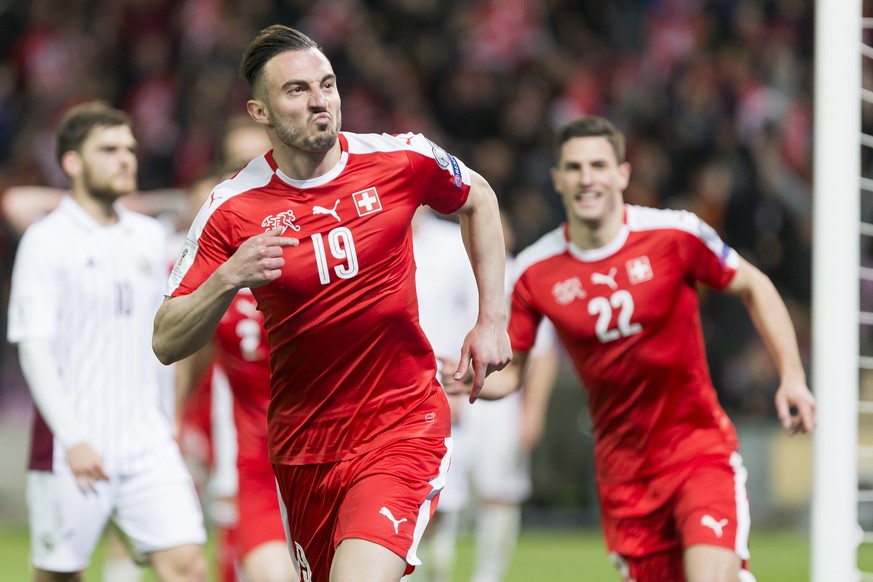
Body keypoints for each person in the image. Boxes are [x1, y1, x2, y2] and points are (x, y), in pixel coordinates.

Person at [151, 24, 512, 582]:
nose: (320, 100)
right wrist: (229, 277)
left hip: (401, 428)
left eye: (327, 84)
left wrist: (491, 321)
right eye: (297, 90)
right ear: (260, 112)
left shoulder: (401, 159)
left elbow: (480, 198)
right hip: (303, 449)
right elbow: (166, 340)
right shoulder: (230, 207)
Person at [469, 115, 817, 582]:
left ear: (622, 174)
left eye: (598, 164)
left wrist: (791, 376)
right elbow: (513, 374)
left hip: (699, 451)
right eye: (574, 168)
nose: (587, 178)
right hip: (625, 477)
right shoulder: (535, 271)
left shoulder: (675, 234)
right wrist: (463, 380)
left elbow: (754, 284)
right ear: (557, 178)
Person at [6, 101, 207, 581]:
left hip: (147, 443)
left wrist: (171, 417)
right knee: (60, 575)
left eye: (130, 149)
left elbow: (168, 335)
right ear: (72, 163)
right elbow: (33, 347)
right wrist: (73, 439)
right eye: (109, 149)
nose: (126, 159)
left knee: (189, 567)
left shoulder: (148, 236)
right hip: (73, 444)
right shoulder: (46, 239)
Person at [409, 208, 559, 582]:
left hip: (483, 391)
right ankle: (434, 574)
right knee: (432, 496)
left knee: (498, 491)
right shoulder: (388, 244)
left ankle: (487, 577)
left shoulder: (457, 247)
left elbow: (539, 346)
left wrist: (532, 410)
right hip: (428, 390)